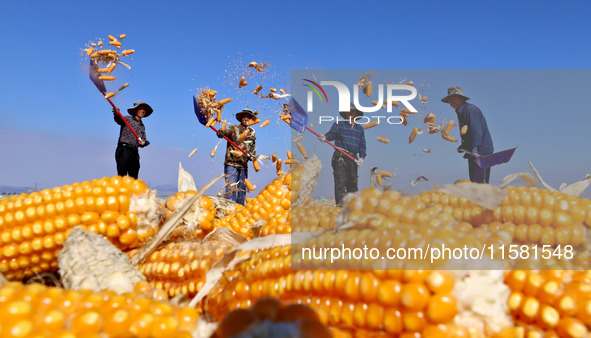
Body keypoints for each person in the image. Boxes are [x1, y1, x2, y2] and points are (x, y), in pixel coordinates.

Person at [442, 87, 494, 183]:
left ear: (461, 98)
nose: (451, 101)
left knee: (479, 185)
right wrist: (465, 146)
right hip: (473, 151)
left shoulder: (470, 110)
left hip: (481, 151)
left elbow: (476, 130)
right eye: (449, 100)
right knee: (474, 182)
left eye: (453, 98)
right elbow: (467, 131)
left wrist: (475, 147)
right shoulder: (460, 111)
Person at [318, 103, 367, 206]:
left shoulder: (360, 129)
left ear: (357, 113)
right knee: (340, 183)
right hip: (340, 156)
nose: (350, 113)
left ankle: (352, 208)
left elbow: (362, 145)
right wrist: (325, 137)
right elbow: (331, 134)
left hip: (353, 158)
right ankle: (340, 207)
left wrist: (362, 157)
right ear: (345, 113)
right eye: (348, 111)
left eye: (353, 111)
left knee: (353, 185)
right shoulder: (339, 124)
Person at [217, 108, 257, 205]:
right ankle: (230, 212)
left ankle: (239, 212)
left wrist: (251, 155)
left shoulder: (252, 132)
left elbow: (252, 148)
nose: (246, 118)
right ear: (241, 118)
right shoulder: (233, 128)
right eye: (244, 116)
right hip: (231, 163)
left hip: (243, 165)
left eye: (248, 117)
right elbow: (224, 132)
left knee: (241, 192)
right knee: (231, 189)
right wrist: (221, 132)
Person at [112, 100, 152, 179]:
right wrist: (116, 114)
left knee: (134, 178)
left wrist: (144, 142)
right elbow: (119, 120)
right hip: (124, 150)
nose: (142, 111)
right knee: (122, 176)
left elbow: (144, 140)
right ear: (135, 110)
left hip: (134, 153)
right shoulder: (127, 119)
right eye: (140, 108)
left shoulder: (142, 126)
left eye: (144, 109)